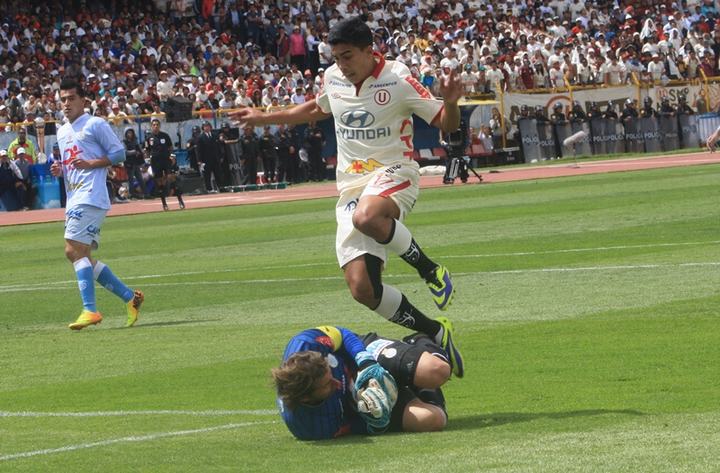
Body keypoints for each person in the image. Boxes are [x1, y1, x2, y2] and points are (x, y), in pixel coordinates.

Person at [231, 16, 464, 378]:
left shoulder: (398, 78)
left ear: (370, 51)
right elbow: (316, 108)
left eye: (348, 56)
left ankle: (430, 270)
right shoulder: (333, 78)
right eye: (336, 57)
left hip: (395, 171)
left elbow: (447, 124)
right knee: (362, 290)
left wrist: (450, 102)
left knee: (367, 217)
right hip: (351, 187)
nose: (342, 65)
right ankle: (435, 331)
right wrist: (263, 118)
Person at [50, 78, 144, 330]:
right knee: (83, 256)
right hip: (74, 196)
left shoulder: (95, 124)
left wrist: (91, 164)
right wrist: (61, 169)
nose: (66, 104)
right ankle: (130, 298)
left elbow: (119, 153)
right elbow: (72, 162)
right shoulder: (62, 131)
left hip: (90, 195)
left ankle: (90, 310)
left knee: (72, 250)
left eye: (71, 98)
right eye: (63, 99)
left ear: (83, 100)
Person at [272, 325, 451, 440]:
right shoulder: (312, 427)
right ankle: (410, 382)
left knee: (437, 370)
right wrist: (376, 423)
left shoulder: (307, 342)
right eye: (326, 385)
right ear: (306, 398)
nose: (336, 383)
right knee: (433, 420)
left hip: (358, 356)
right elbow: (355, 426)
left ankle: (422, 339)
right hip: (357, 400)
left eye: (330, 373)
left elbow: (342, 334)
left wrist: (366, 362)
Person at [145, 118, 184, 210]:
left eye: (157, 125)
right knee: (160, 182)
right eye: (154, 125)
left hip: (166, 160)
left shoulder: (165, 136)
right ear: (151, 126)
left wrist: (172, 156)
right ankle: (164, 204)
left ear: (159, 126)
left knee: (171, 178)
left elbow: (170, 147)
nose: (155, 126)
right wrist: (147, 159)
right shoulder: (149, 138)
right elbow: (147, 150)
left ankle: (180, 201)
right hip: (155, 161)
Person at [196, 121, 222, 192]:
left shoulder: (215, 135)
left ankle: (220, 187)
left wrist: (220, 156)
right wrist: (199, 160)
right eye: (205, 126)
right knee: (207, 175)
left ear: (210, 127)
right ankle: (209, 189)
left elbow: (219, 147)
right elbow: (198, 150)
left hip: (215, 159)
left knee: (218, 174)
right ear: (203, 128)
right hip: (206, 160)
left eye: (208, 126)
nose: (207, 128)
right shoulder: (200, 137)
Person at [122, 128, 146, 199]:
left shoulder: (134, 141)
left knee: (140, 178)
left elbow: (138, 149)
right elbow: (125, 152)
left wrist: (141, 152)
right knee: (131, 180)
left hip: (136, 162)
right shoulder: (124, 142)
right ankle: (131, 194)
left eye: (131, 132)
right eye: (128, 132)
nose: (130, 134)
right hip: (129, 163)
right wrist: (134, 152)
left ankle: (146, 193)